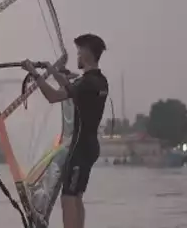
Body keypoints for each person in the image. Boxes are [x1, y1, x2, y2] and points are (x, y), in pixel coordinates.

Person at [21, 33, 108, 228]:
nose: (77, 56)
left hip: (78, 149)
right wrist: (51, 70)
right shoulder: (100, 81)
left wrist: (34, 74)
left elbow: (53, 96)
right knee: (76, 195)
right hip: (91, 147)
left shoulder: (85, 83)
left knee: (68, 198)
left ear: (86, 53)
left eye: (78, 52)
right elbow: (70, 86)